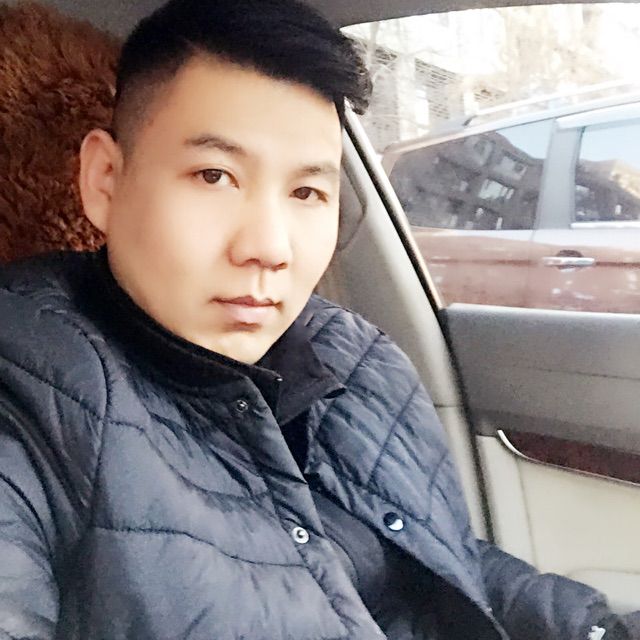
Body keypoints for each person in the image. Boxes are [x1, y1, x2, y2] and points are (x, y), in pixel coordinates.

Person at [0, 0, 638, 638]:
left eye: (306, 192)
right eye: (215, 176)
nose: (269, 247)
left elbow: (445, 560)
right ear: (105, 181)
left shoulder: (357, 358)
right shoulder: (30, 391)